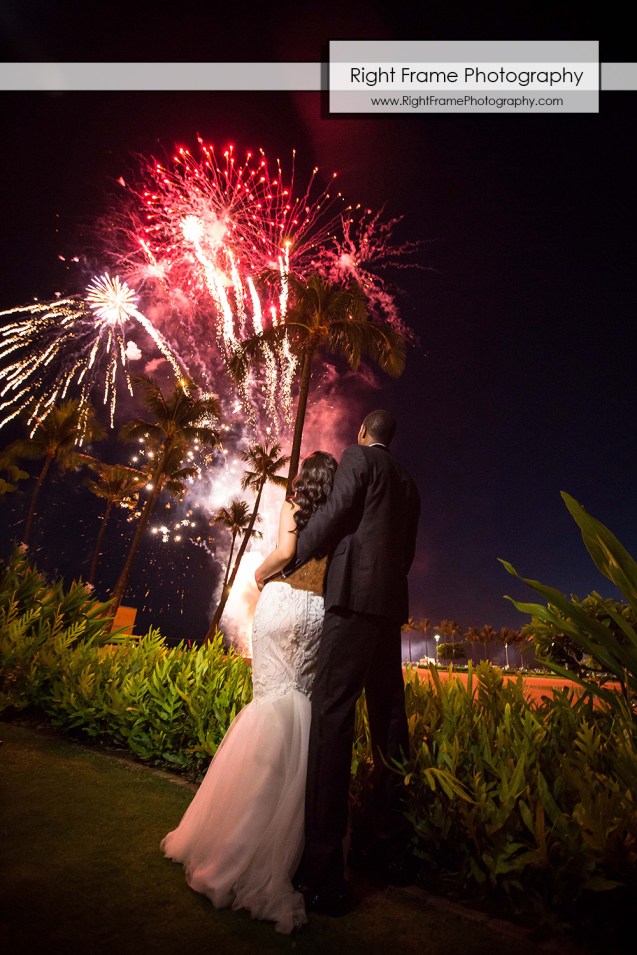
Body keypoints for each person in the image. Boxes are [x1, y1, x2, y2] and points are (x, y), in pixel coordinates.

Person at [160, 450, 337, 934]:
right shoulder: (341, 515)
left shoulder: (295, 503)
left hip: (281, 603)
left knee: (267, 706)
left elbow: (283, 552)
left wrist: (258, 575)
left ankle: (237, 844)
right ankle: (287, 845)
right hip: (318, 612)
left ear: (305, 481)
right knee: (298, 701)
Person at [288, 410, 421, 914]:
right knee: (389, 724)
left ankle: (323, 875)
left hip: (352, 602)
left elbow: (338, 511)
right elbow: (404, 552)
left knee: (332, 718)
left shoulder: (357, 458)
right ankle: (387, 849)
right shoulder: (408, 482)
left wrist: (295, 551)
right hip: (389, 606)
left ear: (364, 433)